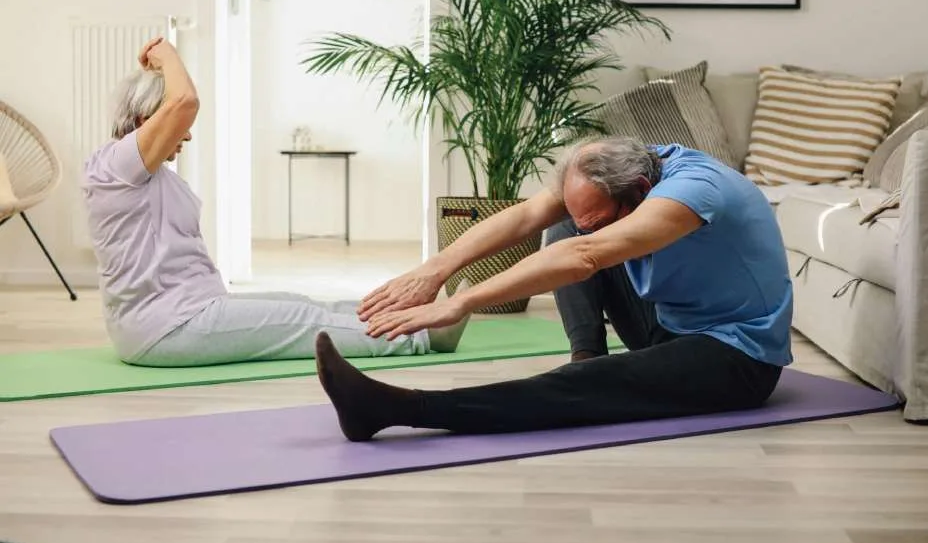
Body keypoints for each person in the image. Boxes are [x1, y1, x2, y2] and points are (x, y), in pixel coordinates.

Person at [313, 136, 794, 441]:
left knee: (578, 248)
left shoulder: (694, 190)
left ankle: (395, 409)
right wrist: (435, 270)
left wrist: (461, 302)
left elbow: (584, 258)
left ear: (642, 190)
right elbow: (525, 217)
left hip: (735, 356)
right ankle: (587, 359)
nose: (590, 225)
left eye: (603, 218)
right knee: (568, 229)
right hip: (667, 321)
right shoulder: (616, 169)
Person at [81, 38, 470, 367]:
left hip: (188, 311)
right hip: (164, 327)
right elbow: (184, 100)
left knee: (299, 302)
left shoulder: (146, 173)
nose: (187, 137)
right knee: (300, 320)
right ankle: (424, 338)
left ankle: (410, 316)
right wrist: (165, 53)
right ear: (147, 117)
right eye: (180, 129)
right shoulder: (117, 166)